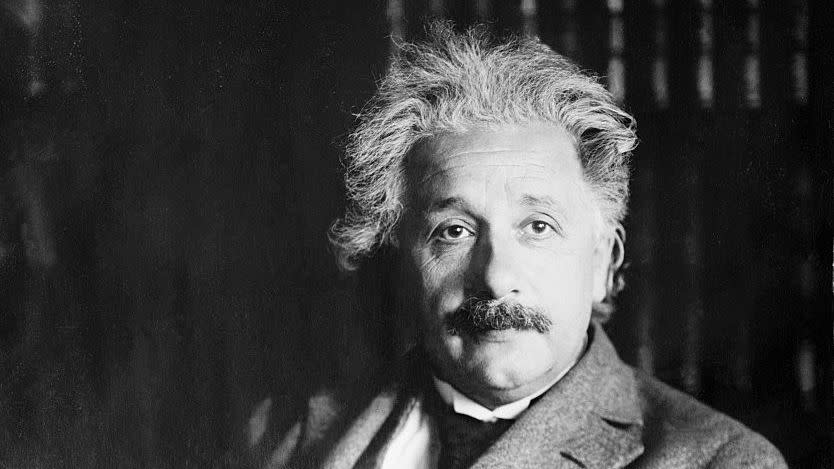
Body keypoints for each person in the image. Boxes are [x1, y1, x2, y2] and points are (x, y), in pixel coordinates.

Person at [251, 22, 787, 469]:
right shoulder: (283, 435)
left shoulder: (722, 460)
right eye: (454, 231)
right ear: (400, 262)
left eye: (538, 227)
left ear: (605, 261)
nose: (495, 276)